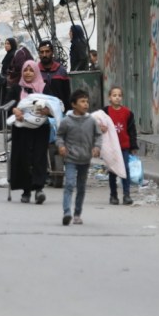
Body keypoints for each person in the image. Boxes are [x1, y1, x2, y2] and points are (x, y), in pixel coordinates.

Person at [56, 89, 104, 225]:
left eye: (87, 101)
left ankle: (77, 214)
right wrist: (61, 146)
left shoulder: (91, 121)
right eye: (82, 101)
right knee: (70, 184)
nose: (86, 104)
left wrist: (97, 147)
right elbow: (59, 136)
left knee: (81, 187)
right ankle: (67, 212)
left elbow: (98, 135)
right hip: (71, 158)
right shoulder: (67, 121)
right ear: (74, 104)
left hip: (85, 159)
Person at [8, 60, 52, 204]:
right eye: (25, 70)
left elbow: (54, 106)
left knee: (39, 157)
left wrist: (47, 110)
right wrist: (14, 109)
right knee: (24, 157)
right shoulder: (16, 88)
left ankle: (39, 189)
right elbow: (7, 103)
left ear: (36, 72)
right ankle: (26, 190)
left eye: (31, 70)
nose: (28, 73)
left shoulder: (45, 88)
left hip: (40, 128)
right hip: (22, 128)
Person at [102, 86, 139, 205]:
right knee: (112, 171)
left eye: (119, 95)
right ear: (109, 97)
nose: (117, 98)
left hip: (124, 146)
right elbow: (98, 125)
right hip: (111, 147)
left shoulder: (128, 113)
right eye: (114, 95)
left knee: (125, 170)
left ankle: (127, 195)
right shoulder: (105, 112)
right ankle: (113, 195)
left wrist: (133, 146)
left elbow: (132, 131)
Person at [0, 37, 18, 131]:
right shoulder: (9, 54)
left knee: (4, 102)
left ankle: (3, 124)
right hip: (3, 81)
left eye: (8, 44)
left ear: (12, 45)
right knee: (0, 101)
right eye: (5, 43)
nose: (6, 45)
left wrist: (6, 77)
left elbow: (11, 69)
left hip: (7, 82)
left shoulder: (13, 55)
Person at [37, 40, 71, 112]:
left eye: (47, 51)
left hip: (60, 111)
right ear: (39, 54)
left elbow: (67, 94)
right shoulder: (35, 71)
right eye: (42, 52)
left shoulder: (61, 71)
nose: (44, 55)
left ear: (52, 52)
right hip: (41, 113)